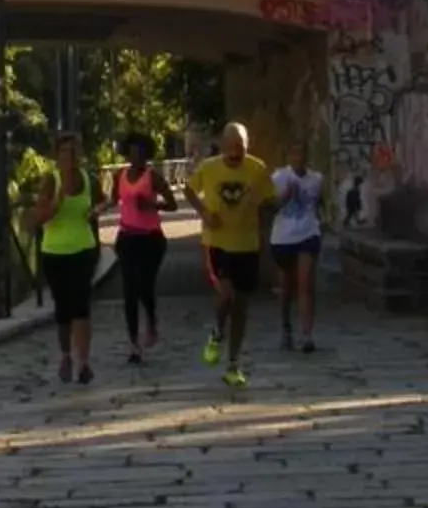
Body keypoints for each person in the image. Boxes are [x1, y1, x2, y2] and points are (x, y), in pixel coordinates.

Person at [187, 123, 272, 388]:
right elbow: (189, 190)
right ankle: (217, 331)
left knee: (242, 306)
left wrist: (266, 236)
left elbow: (269, 200)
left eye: (242, 147)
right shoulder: (209, 168)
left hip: (247, 244)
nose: (237, 152)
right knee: (226, 296)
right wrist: (204, 213)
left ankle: (233, 364)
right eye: (233, 146)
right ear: (223, 145)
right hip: (218, 243)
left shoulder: (257, 169)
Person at [28, 131, 102, 386]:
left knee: (81, 306)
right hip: (55, 252)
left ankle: (84, 363)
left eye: (74, 151)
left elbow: (104, 201)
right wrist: (56, 206)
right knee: (63, 310)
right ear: (57, 155)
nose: (69, 157)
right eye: (64, 151)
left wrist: (97, 210)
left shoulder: (88, 179)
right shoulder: (51, 181)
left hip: (83, 249)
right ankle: (66, 356)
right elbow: (37, 219)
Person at [112, 134, 179, 365]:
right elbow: (113, 200)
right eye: (132, 153)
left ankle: (150, 318)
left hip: (151, 240)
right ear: (127, 154)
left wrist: (152, 204)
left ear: (146, 155)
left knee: (144, 287)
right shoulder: (119, 176)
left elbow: (173, 205)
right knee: (129, 291)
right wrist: (94, 209)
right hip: (127, 237)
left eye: (140, 153)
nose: (136, 157)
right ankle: (134, 345)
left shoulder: (154, 177)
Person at [270, 141, 326, 353]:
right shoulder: (279, 178)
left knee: (305, 284)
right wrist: (285, 197)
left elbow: (319, 203)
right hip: (283, 238)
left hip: (308, 234)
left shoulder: (316, 179)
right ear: (289, 156)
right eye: (294, 154)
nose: (298, 158)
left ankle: (307, 334)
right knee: (287, 287)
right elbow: (271, 207)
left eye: (301, 154)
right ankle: (286, 327)